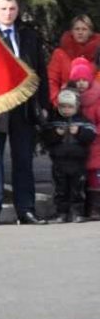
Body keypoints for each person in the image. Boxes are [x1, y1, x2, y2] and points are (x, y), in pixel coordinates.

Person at [0, 0, 49, 225]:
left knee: (23, 160)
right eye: (4, 9)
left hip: (24, 108)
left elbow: (41, 73)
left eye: (12, 9)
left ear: (17, 11)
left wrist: (44, 105)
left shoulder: (29, 37)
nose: (8, 13)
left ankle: (26, 210)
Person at [40, 87, 95, 222]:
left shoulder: (83, 121)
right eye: (63, 106)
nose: (66, 110)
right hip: (59, 161)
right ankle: (61, 213)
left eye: (70, 107)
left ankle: (77, 212)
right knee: (61, 189)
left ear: (76, 106)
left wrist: (79, 132)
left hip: (78, 162)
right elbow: (46, 138)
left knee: (78, 189)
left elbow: (90, 136)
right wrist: (56, 134)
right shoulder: (54, 121)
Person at [65, 57, 100, 220]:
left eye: (84, 80)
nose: (81, 83)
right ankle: (79, 207)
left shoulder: (96, 100)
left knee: (94, 177)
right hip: (75, 145)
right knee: (78, 177)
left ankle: (93, 208)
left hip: (94, 144)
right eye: (77, 80)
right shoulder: (67, 99)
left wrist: (92, 133)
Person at [47, 15, 100, 106]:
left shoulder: (98, 53)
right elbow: (51, 80)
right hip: (66, 105)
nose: (80, 32)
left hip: (94, 106)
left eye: (84, 29)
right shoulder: (60, 54)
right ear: (72, 31)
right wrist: (57, 101)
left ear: (90, 32)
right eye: (77, 29)